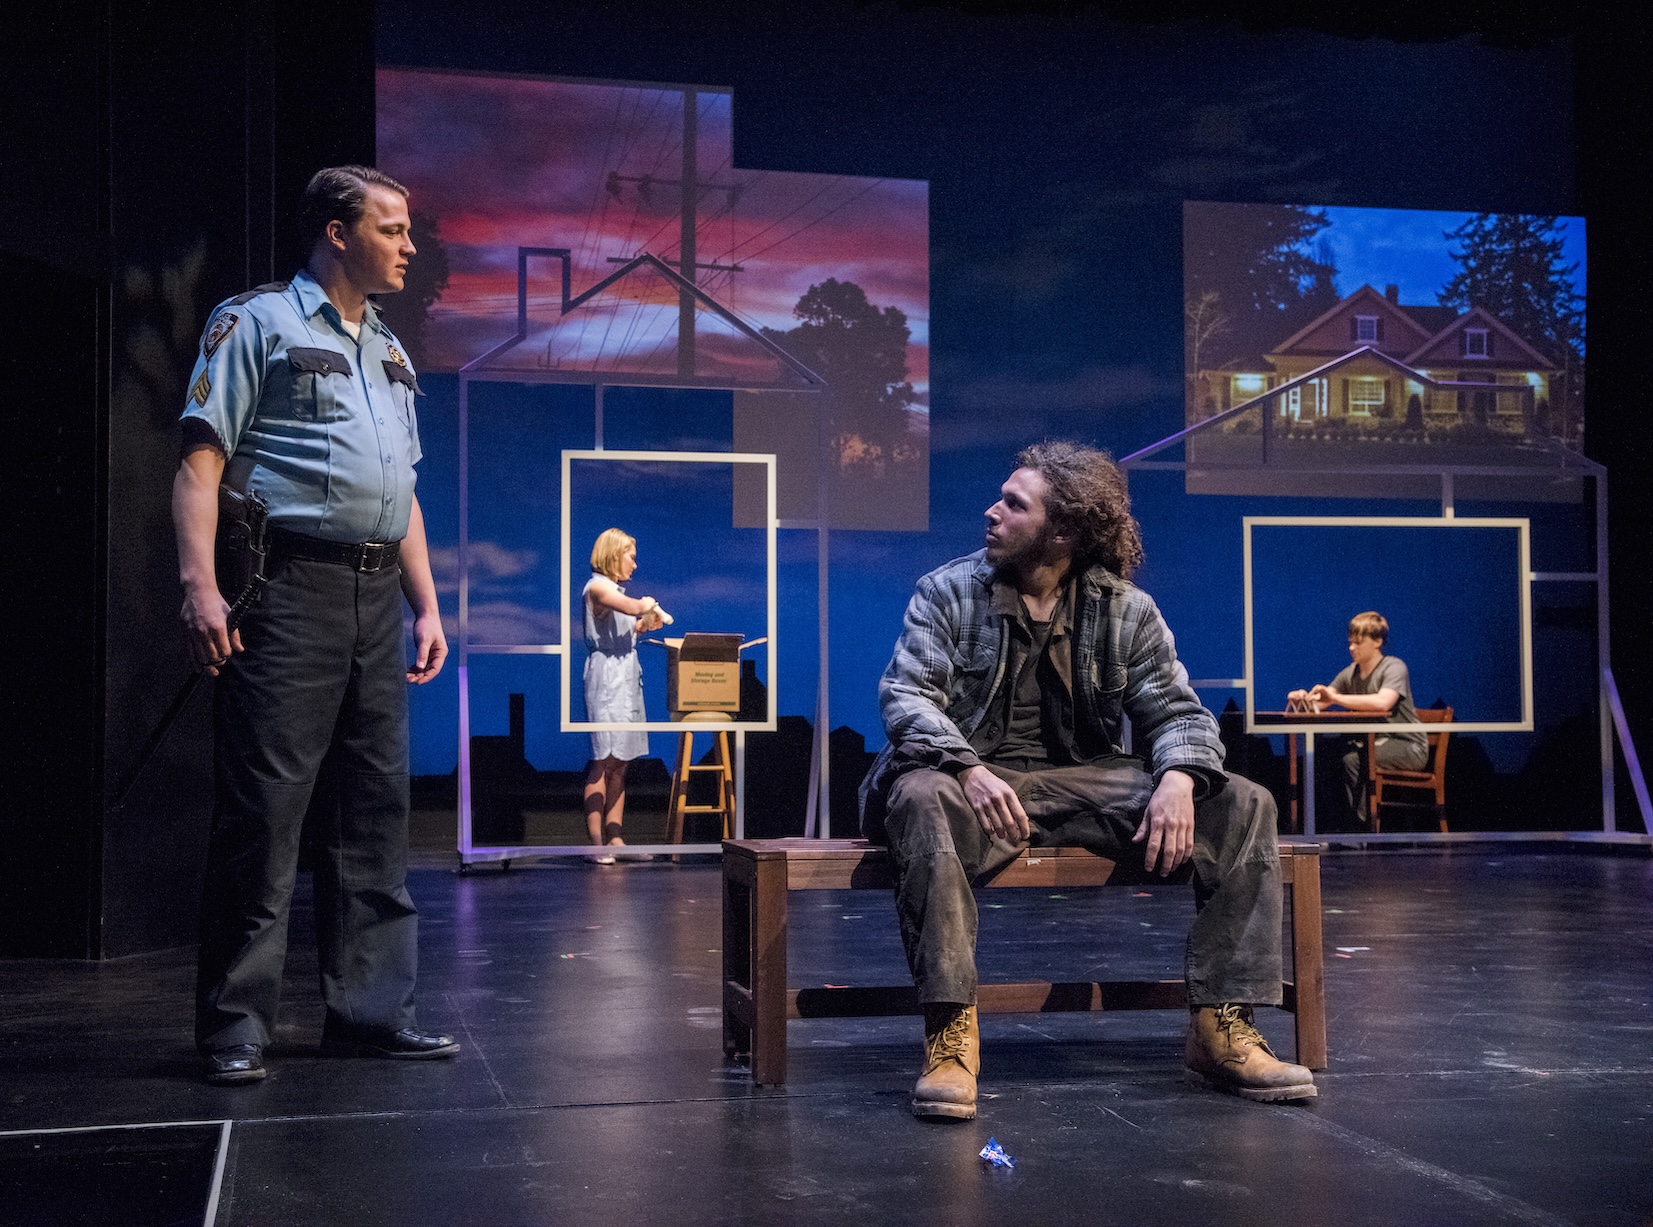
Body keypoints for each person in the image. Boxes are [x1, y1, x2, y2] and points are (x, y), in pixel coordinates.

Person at [859, 441, 1315, 1120]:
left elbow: (1175, 709)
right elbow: (906, 696)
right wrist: (969, 768)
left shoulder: (1123, 609)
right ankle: (950, 1034)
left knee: (1243, 802)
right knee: (921, 795)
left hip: (1080, 784)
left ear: (1062, 530)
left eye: (1014, 503)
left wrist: (1180, 778)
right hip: (965, 786)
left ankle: (1219, 1025)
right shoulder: (948, 590)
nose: (991, 511)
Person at [174, 165, 457, 1086]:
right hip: (287, 591)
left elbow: (403, 489)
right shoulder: (256, 322)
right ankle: (234, 1025)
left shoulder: (390, 349)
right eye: (393, 227)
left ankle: (372, 1013)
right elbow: (201, 460)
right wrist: (199, 586)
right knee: (266, 813)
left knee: (375, 811)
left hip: (376, 597)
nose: (410, 245)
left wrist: (426, 602)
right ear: (337, 232)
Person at [1288, 611, 1428, 826]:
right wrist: (1302, 699)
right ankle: (1330, 825)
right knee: (1326, 754)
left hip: (1407, 746)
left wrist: (1336, 697)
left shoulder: (1394, 667)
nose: (1352, 648)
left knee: (1355, 759)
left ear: (1378, 641)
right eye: (1350, 642)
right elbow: (1323, 701)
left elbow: (1383, 702)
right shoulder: (1351, 672)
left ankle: (1360, 828)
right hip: (1371, 744)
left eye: (1359, 643)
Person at [582, 528, 667, 863]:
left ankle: (616, 838)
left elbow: (631, 622)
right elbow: (631, 606)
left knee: (621, 763)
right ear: (614, 555)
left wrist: (646, 623)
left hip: (627, 676)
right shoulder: (598, 587)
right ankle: (596, 844)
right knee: (603, 760)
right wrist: (644, 606)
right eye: (630, 555)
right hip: (606, 678)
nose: (634, 563)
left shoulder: (613, 589)